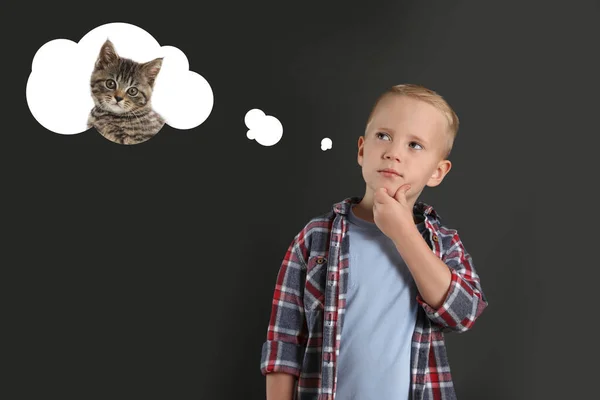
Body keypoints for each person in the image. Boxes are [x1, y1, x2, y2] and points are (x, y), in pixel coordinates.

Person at [260, 84, 488, 400]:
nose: (394, 151)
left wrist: (403, 232)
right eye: (383, 136)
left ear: (437, 172)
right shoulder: (315, 238)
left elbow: (463, 313)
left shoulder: (443, 243)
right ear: (362, 150)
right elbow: (284, 341)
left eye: (415, 145)